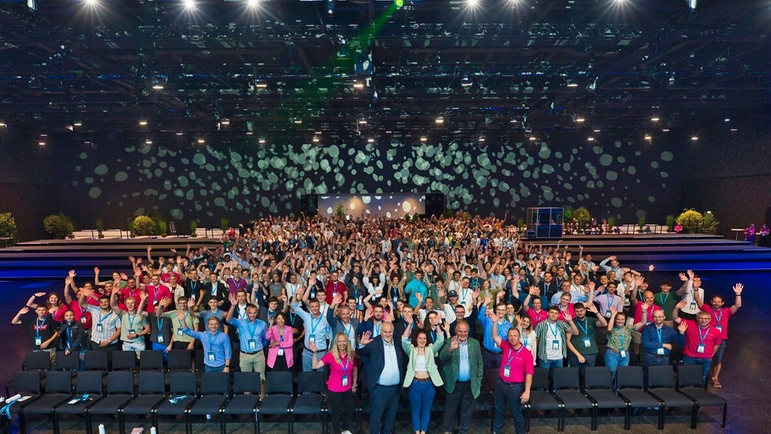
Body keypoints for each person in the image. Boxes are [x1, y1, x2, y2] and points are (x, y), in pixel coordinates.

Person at [356, 322, 406, 434]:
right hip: (379, 389)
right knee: (376, 416)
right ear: (380, 331)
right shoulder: (373, 342)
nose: (388, 334)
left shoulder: (398, 342)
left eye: (390, 332)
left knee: (390, 417)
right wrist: (362, 345)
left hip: (395, 388)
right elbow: (361, 353)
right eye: (385, 332)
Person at [401, 312, 445, 434]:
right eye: (420, 338)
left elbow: (440, 340)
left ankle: (423, 432)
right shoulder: (411, 350)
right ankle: (417, 432)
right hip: (414, 384)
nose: (422, 340)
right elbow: (404, 340)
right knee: (415, 411)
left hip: (429, 384)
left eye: (424, 338)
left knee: (426, 411)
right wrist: (409, 324)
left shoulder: (430, 349)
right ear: (416, 339)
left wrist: (437, 325)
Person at [489, 317, 533, 434]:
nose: (512, 338)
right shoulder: (505, 345)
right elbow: (494, 336)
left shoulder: (526, 354)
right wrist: (494, 323)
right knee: (498, 409)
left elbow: (529, 374)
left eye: (515, 336)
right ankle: (497, 431)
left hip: (515, 387)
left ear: (519, 337)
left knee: (516, 413)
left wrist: (527, 391)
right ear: (508, 337)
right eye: (510, 336)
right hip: (501, 384)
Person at [440, 320, 484, 434]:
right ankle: (447, 431)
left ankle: (462, 432)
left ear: (468, 331)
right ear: (456, 331)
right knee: (450, 411)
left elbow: (480, 364)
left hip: (470, 384)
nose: (463, 334)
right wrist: (451, 349)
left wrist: (478, 382)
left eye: (465, 331)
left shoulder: (475, 343)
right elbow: (442, 357)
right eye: (460, 331)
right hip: (454, 385)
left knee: (466, 412)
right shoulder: (450, 341)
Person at [697, 283, 743, 388]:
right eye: (715, 301)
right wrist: (695, 289)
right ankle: (700, 377)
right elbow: (698, 302)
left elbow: (737, 305)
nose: (716, 303)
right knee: (702, 357)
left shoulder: (726, 311)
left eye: (719, 302)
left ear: (722, 303)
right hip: (707, 338)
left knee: (718, 359)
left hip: (720, 339)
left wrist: (738, 294)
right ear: (711, 302)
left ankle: (715, 378)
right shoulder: (708, 309)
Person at [312, 332, 358, 434]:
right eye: (339, 341)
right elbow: (315, 366)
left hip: (347, 389)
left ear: (347, 342)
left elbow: (354, 370)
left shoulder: (351, 354)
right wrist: (315, 353)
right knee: (336, 413)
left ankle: (345, 429)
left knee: (350, 409)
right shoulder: (330, 355)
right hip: (334, 390)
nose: (342, 343)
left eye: (344, 341)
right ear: (336, 343)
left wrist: (354, 384)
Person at [673, 300, 723, 384]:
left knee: (702, 378)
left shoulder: (716, 331)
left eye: (706, 319)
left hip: (706, 358)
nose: (704, 320)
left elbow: (717, 344)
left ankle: (699, 395)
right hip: (690, 357)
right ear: (697, 318)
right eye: (701, 318)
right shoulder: (690, 324)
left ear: (710, 319)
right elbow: (675, 318)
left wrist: (711, 353)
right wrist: (676, 308)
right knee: (686, 377)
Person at [225, 294, 268, 378]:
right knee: (246, 379)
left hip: (258, 354)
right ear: (246, 313)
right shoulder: (241, 322)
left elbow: (264, 339)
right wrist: (233, 306)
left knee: (261, 378)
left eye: (254, 313)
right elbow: (228, 319)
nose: (252, 315)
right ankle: (247, 392)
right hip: (245, 354)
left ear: (257, 313)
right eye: (250, 313)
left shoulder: (262, 324)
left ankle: (261, 392)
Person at [291, 287, 332, 371]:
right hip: (307, 352)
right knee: (307, 376)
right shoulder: (306, 316)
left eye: (316, 306)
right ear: (310, 307)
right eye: (312, 306)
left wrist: (329, 350)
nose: (314, 308)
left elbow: (331, 336)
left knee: (320, 376)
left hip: (321, 352)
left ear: (319, 306)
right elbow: (294, 306)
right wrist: (295, 294)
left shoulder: (325, 320)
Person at [566, 303, 607, 377]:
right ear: (574, 312)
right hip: (576, 354)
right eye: (577, 311)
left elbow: (604, 324)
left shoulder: (591, 320)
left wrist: (596, 313)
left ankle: (586, 389)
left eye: (581, 310)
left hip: (591, 352)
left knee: (589, 376)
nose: (580, 313)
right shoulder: (571, 322)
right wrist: (578, 355)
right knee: (574, 376)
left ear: (585, 310)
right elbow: (567, 341)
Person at [534, 306, 579, 374]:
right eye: (551, 312)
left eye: (556, 313)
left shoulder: (562, 324)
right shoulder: (540, 325)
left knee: (557, 380)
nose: (553, 314)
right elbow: (535, 341)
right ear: (547, 313)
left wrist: (570, 321)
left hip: (559, 358)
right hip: (545, 357)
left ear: (558, 315)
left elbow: (575, 332)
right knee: (544, 379)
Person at [605, 308, 647, 380]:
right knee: (611, 373)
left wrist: (643, 311)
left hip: (625, 355)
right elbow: (609, 329)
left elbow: (643, 322)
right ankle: (610, 390)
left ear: (625, 320)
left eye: (622, 319)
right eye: (618, 319)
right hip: (612, 354)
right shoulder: (612, 328)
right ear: (615, 320)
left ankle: (618, 390)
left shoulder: (628, 328)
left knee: (622, 375)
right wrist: (613, 315)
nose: (620, 321)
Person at [110, 290, 150, 356]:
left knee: (141, 363)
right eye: (128, 303)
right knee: (128, 363)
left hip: (138, 342)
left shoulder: (141, 315)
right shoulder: (123, 314)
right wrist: (113, 293)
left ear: (135, 304)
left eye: (132, 303)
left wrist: (137, 335)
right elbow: (113, 305)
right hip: (126, 344)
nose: (130, 305)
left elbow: (147, 329)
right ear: (125, 305)